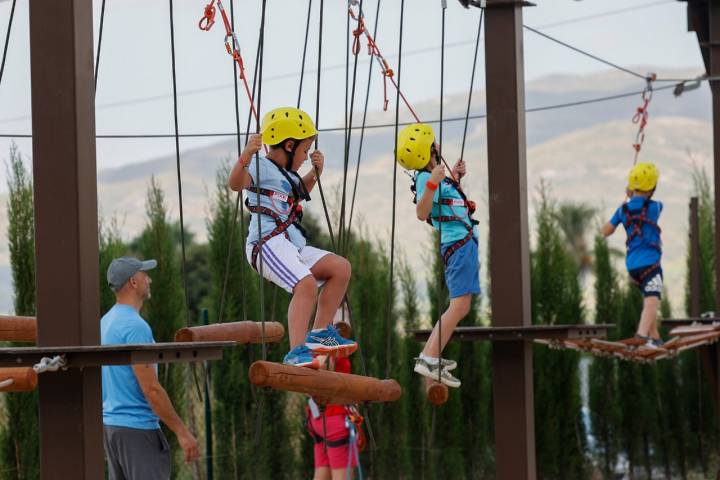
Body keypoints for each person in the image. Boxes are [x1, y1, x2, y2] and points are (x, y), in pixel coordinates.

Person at [228, 107, 356, 368]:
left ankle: (320, 333)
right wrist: (245, 156)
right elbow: (235, 183)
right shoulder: (259, 165)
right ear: (289, 145)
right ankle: (296, 352)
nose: (306, 156)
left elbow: (297, 194)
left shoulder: (288, 175)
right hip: (265, 244)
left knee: (340, 268)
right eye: (305, 150)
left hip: (289, 244)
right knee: (305, 284)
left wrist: (315, 174)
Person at [396, 123, 481, 388]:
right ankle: (429, 356)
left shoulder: (432, 178)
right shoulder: (426, 178)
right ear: (430, 149)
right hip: (459, 245)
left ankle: (430, 356)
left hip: (461, 244)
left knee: (461, 305)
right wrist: (434, 181)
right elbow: (423, 212)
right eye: (434, 142)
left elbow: (441, 201)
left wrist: (453, 177)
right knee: (459, 306)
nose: (438, 145)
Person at [101, 256, 199, 480]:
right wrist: (182, 433)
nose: (150, 279)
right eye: (145, 274)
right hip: (138, 431)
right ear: (133, 282)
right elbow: (151, 390)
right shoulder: (135, 326)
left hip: (112, 428)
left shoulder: (105, 322)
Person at [602, 162, 664, 348]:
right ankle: (642, 336)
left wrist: (627, 201)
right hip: (651, 264)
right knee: (652, 301)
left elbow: (605, 231)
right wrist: (634, 195)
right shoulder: (654, 207)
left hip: (633, 267)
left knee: (649, 299)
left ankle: (655, 338)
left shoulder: (622, 210)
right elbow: (658, 206)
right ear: (652, 188)